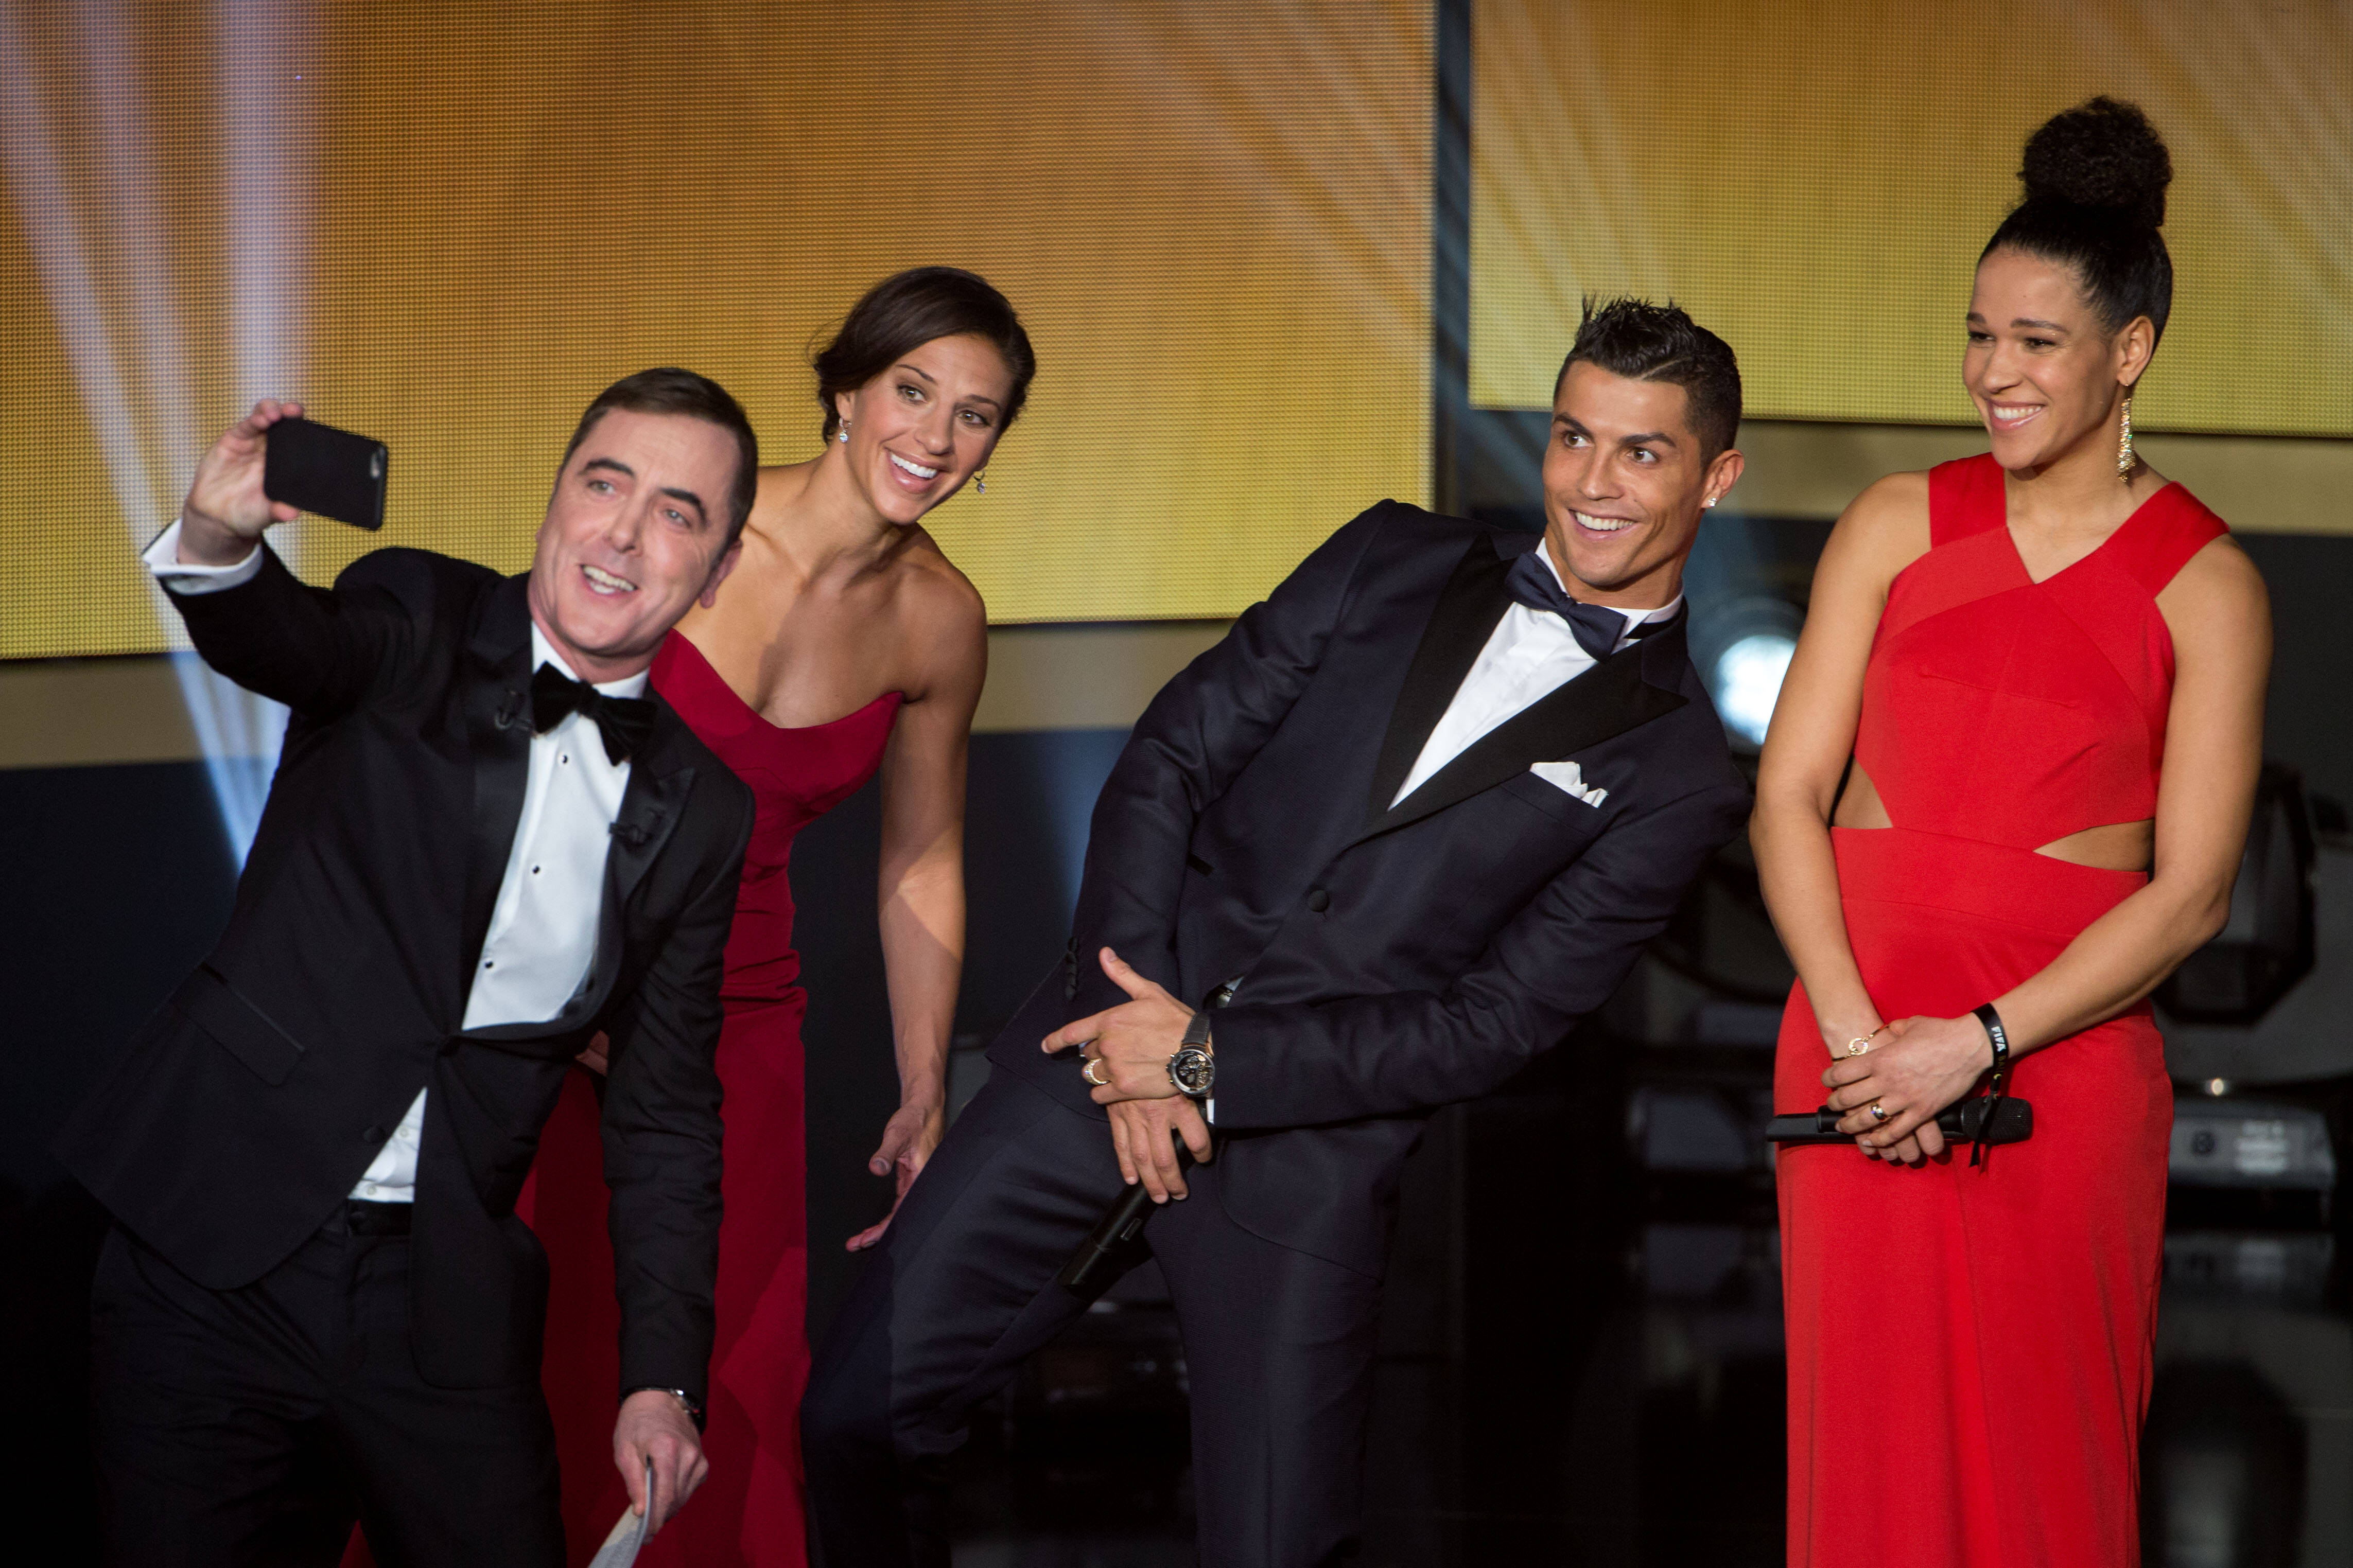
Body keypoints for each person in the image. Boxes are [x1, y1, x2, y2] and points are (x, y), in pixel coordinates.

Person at [801, 297, 1756, 1565]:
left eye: (1642, 452)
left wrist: (1199, 1066)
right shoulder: (1387, 555)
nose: (1593, 484)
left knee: (1277, 1548)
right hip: (1098, 1040)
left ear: (1718, 475)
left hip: (1308, 1150)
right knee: (854, 1416)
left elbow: (1496, 1024)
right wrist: (1133, 1030)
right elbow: (1167, 762)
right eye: (1575, 438)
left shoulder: (1681, 764)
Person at [56, 369, 762, 1566]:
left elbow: (665, 1114)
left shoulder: (704, 806)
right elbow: (290, 640)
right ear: (555, 497)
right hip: (217, 1250)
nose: (626, 535)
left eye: (679, 513)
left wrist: (665, 1383)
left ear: (721, 567)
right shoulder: (421, 616)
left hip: (441, 1305)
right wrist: (224, 540)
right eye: (606, 484)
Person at [1753, 98, 2270, 1566]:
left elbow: (2191, 898)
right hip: (1850, 1056)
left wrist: (1971, 1043)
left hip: (2055, 1062)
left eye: (2036, 342)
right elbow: (1786, 797)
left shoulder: (2208, 582)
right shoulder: (1892, 520)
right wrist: (1865, 1045)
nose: (1994, 371)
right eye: (1980, 334)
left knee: (2047, 1466)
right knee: (1867, 1470)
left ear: (2129, 353)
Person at [526, 267, 1031, 1566]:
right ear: (846, 393)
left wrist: (926, 1081)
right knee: (535, 1378)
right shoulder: (696, 527)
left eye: (975, 416)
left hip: (735, 1031)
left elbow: (922, 856)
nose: (934, 436)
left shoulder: (941, 620)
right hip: (550, 1020)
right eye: (912, 391)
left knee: (726, 1395)